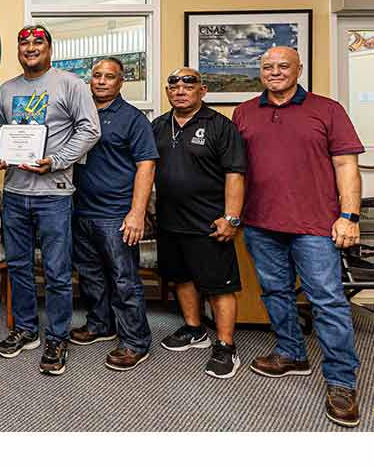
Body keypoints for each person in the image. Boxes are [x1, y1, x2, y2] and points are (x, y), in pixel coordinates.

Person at [233, 46, 363, 427]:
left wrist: (349, 216)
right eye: (268, 66)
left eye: (283, 66)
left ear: (299, 69)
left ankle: (341, 382)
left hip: (316, 226)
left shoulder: (328, 109)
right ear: (260, 71)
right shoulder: (244, 112)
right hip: (260, 223)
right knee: (275, 292)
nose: (275, 72)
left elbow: (346, 165)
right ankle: (291, 353)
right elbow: (234, 169)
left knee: (328, 301)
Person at [0, 25, 101, 376]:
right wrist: (0, 155)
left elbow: (90, 129)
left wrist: (56, 160)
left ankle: (57, 336)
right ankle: (26, 329)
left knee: (56, 271)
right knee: (18, 266)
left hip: (54, 195)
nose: (30, 48)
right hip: (15, 192)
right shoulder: (7, 89)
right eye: (23, 43)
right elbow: (2, 133)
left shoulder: (69, 83)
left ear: (50, 48)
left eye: (37, 42)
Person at [151, 67, 246, 379]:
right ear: (168, 92)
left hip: (209, 221)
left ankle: (225, 345)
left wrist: (231, 217)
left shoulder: (220, 126)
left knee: (219, 286)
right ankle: (194, 329)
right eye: (174, 84)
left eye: (188, 84)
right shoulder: (159, 126)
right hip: (169, 220)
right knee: (181, 278)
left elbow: (235, 173)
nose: (180, 89)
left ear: (202, 91)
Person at [71, 57, 157, 371]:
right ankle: (99, 324)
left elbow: (146, 166)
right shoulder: (79, 115)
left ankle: (135, 341)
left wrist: (137, 213)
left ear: (121, 82)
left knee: (124, 280)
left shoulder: (133, 119)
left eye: (110, 76)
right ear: (89, 80)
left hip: (116, 213)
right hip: (80, 210)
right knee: (91, 275)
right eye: (97, 75)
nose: (102, 81)